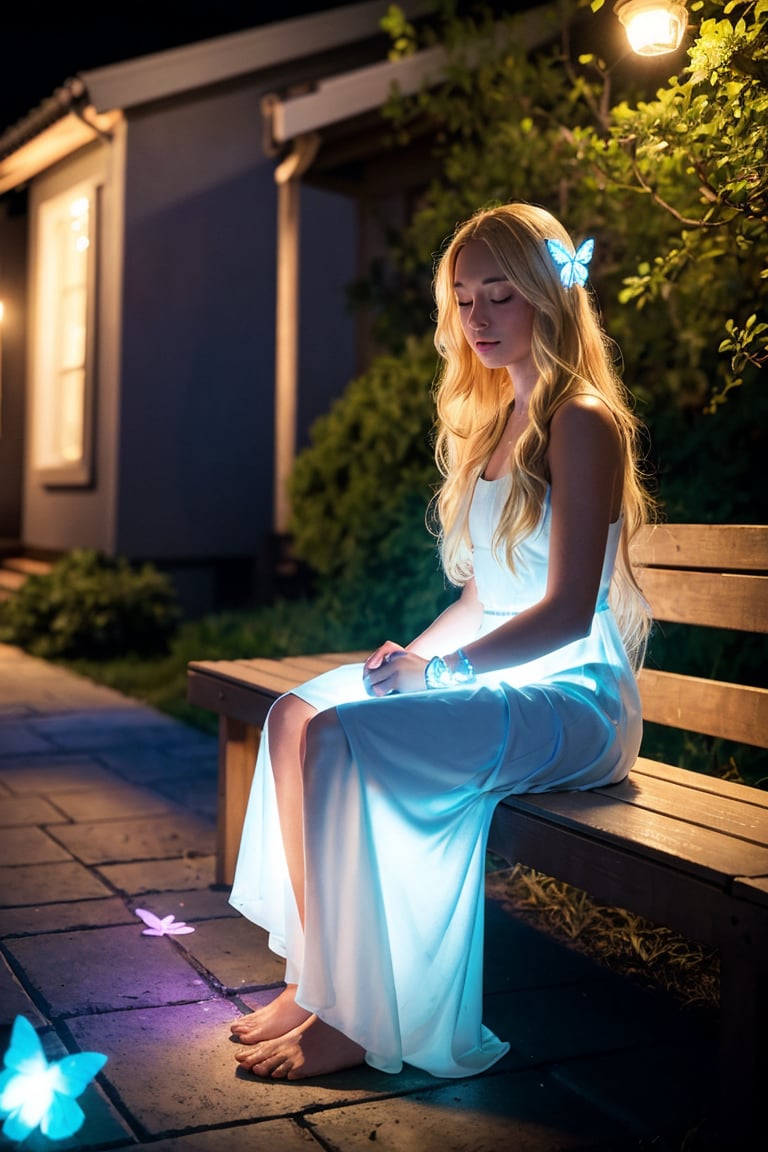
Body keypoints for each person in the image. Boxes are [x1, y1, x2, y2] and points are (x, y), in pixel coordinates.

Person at [228, 201, 653, 1082]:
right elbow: (483, 592)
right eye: (464, 300)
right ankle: (319, 985)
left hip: (576, 698)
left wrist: (443, 673)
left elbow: (570, 609)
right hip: (503, 676)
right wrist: (408, 659)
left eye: (501, 295)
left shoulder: (581, 420)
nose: (479, 319)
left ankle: (354, 1019)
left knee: (343, 737)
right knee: (295, 716)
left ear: (547, 294)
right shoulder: (500, 420)